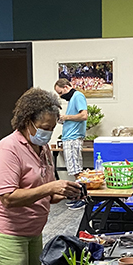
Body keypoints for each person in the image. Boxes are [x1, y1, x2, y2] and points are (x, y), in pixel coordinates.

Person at [0, 87, 81, 265]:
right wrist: (49, 189)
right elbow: (8, 197)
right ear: (27, 122)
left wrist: (64, 191)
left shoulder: (42, 148)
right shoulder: (8, 149)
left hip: (31, 230)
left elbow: (44, 192)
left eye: (52, 127)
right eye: (44, 128)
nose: (48, 133)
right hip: (6, 232)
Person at [54, 77, 88, 207]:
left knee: (77, 170)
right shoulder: (72, 99)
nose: (61, 96)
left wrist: (66, 117)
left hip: (73, 138)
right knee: (74, 169)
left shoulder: (78, 96)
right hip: (69, 138)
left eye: (60, 93)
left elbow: (83, 115)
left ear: (67, 87)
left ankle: (82, 198)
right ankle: (80, 196)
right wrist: (62, 120)